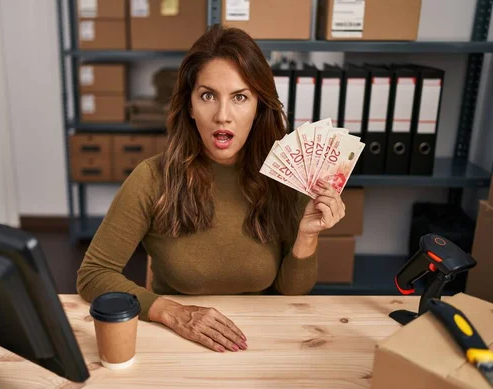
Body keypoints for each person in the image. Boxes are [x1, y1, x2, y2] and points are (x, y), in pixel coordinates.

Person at [76, 24, 346, 353]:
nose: (222, 116)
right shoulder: (151, 178)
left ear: (259, 106)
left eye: (239, 98)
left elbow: (292, 295)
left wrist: (307, 235)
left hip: (258, 343)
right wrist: (172, 313)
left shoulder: (285, 179)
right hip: (173, 342)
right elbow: (93, 274)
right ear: (189, 106)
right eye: (207, 96)